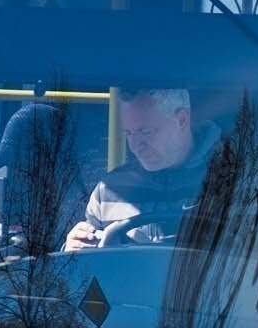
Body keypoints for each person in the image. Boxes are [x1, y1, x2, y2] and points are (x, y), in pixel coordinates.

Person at [64, 87, 211, 249]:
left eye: (145, 132)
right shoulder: (109, 190)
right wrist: (73, 249)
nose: (135, 146)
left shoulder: (227, 181)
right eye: (128, 133)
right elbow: (87, 261)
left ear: (182, 119)